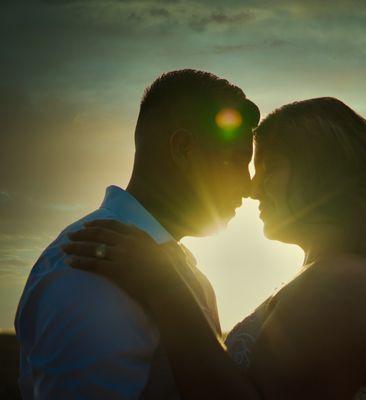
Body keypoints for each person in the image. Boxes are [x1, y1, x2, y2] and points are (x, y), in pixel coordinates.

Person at [64, 97, 366, 399]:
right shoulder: (348, 275)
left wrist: (166, 287)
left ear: (319, 172)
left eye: (268, 167)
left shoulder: (350, 283)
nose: (252, 188)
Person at [15, 69, 260, 399]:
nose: (248, 186)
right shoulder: (89, 268)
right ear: (184, 149)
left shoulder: (165, 266)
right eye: (237, 161)